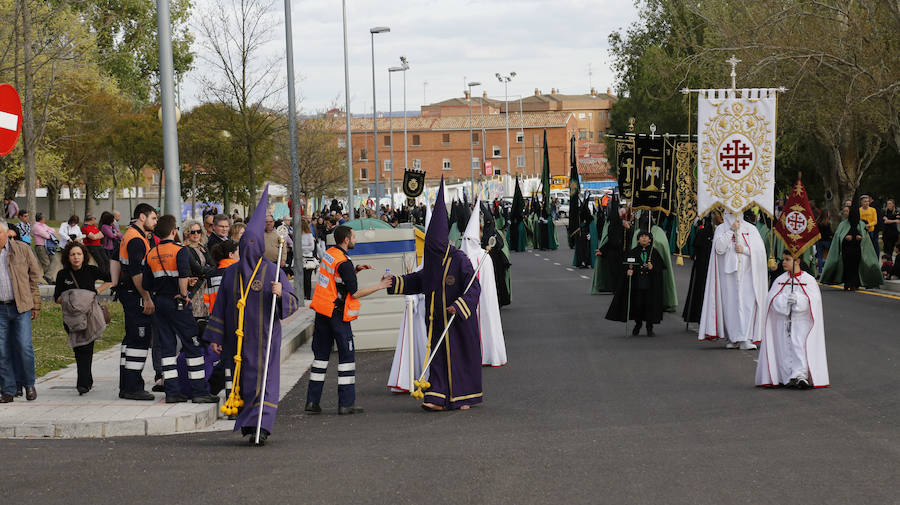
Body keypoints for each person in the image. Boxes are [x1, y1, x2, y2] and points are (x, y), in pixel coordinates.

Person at [203, 187, 300, 445]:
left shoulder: (272, 271)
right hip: (238, 341)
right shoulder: (231, 274)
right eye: (245, 244)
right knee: (242, 380)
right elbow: (220, 306)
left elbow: (293, 303)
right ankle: (248, 424)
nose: (248, 248)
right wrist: (215, 336)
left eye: (253, 244)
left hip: (265, 337)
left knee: (265, 380)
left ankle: (263, 425)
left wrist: (281, 294)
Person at [385, 178, 482, 411]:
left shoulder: (460, 261)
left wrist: (458, 306)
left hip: (456, 321)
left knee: (458, 360)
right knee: (438, 359)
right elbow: (419, 280)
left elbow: (474, 288)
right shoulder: (432, 261)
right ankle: (436, 397)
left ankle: (462, 397)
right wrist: (394, 283)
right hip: (436, 319)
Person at [306, 225, 390, 415]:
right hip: (337, 314)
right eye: (353, 237)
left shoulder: (330, 253)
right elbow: (355, 293)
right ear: (346, 240)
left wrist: (355, 270)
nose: (355, 239)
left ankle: (312, 402)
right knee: (346, 357)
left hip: (322, 311)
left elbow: (335, 279)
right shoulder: (343, 262)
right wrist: (380, 285)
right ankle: (346, 403)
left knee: (320, 357)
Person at [142, 215, 219, 404]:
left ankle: (172, 392)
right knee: (192, 343)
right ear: (174, 231)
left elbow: (146, 282)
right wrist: (184, 293)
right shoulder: (180, 250)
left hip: (159, 302)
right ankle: (200, 391)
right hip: (178, 302)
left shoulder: (151, 253)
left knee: (167, 347)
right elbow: (183, 274)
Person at [756, 251, 829, 389]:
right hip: (783, 321)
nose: (783, 262)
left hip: (802, 322)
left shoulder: (808, 280)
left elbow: (814, 301)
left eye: (787, 259)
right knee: (784, 347)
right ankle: (786, 375)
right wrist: (784, 301)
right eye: (783, 259)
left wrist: (799, 301)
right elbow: (771, 300)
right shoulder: (780, 279)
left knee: (799, 347)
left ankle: (800, 375)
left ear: (797, 261)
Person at [698, 211, 768, 349]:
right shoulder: (721, 229)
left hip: (748, 274)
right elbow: (719, 248)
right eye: (730, 212)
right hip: (728, 275)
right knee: (730, 305)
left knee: (747, 304)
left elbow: (760, 252)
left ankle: (746, 338)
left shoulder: (751, 229)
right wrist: (731, 231)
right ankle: (733, 338)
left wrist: (746, 250)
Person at [54, 241, 112, 395]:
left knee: (86, 348)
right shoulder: (62, 274)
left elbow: (111, 278)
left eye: (79, 254)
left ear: (84, 256)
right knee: (78, 348)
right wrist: (72, 298)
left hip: (90, 316)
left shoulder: (91, 270)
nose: (76, 257)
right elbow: (57, 298)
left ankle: (83, 384)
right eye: (72, 254)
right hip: (72, 319)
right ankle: (86, 380)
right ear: (68, 257)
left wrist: (98, 291)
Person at [117, 203, 158, 401]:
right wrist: (146, 297)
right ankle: (133, 387)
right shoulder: (136, 240)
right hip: (135, 294)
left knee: (130, 340)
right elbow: (136, 271)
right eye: (153, 218)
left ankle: (127, 385)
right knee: (139, 340)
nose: (155, 222)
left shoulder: (132, 235)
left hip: (129, 292)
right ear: (142, 217)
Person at [0, 217, 41, 403]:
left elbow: (34, 277)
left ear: (5, 233)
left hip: (20, 307)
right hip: (0, 309)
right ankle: (8, 390)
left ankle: (29, 383)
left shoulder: (22, 249)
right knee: (2, 350)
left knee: (24, 346)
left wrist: (36, 304)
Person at [461, 201, 507, 366]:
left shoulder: (484, 257)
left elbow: (488, 286)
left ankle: (488, 353)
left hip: (483, 301)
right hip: (468, 302)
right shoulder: (461, 257)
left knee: (486, 322)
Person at [605, 229, 666, 336]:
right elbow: (626, 265)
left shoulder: (654, 252)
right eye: (641, 236)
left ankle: (649, 327)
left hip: (650, 285)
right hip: (637, 284)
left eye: (646, 236)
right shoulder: (633, 252)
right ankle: (638, 324)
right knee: (638, 305)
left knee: (649, 305)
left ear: (650, 240)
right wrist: (628, 271)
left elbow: (661, 268)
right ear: (638, 240)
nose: (643, 238)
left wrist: (653, 267)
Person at [820, 204, 882, 290]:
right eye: (844, 211)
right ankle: (847, 283)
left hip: (858, 250)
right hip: (846, 250)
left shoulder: (861, 224)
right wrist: (845, 238)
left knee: (856, 267)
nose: (845, 213)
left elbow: (866, 238)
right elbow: (838, 236)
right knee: (846, 267)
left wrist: (860, 238)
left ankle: (854, 284)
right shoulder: (842, 224)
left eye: (847, 211)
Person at [683, 214, 719, 324]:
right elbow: (697, 249)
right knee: (700, 289)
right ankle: (697, 316)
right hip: (703, 266)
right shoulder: (704, 232)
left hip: (718, 268)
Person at [31, 213, 58, 283]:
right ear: (41, 219)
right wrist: (48, 232)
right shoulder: (36, 226)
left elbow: (53, 230)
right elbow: (47, 236)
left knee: (55, 260)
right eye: (44, 218)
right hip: (40, 247)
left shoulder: (43, 225)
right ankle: (50, 280)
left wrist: (48, 231)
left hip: (49, 246)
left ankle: (48, 276)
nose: (45, 219)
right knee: (46, 263)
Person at [300, 219, 316, 300]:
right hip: (300, 259)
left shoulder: (309, 235)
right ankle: (303, 295)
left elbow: (311, 247)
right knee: (301, 279)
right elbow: (295, 248)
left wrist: (302, 248)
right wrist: (306, 247)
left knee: (307, 279)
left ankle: (308, 295)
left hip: (308, 259)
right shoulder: (297, 236)